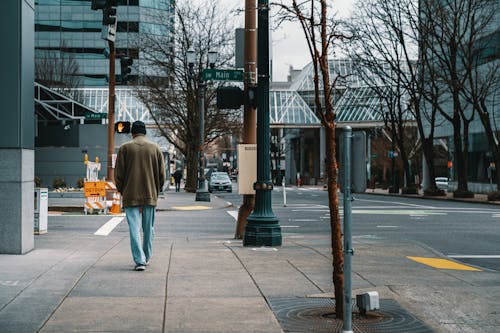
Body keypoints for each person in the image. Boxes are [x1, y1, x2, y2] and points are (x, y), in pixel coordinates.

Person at [114, 121, 165, 271]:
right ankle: (147, 255)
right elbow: (162, 175)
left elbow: (118, 174)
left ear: (133, 133)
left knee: (134, 229)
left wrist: (122, 190)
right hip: (150, 193)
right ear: (145, 132)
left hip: (130, 194)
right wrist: (157, 190)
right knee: (148, 228)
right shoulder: (155, 148)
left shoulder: (125, 148)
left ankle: (139, 260)